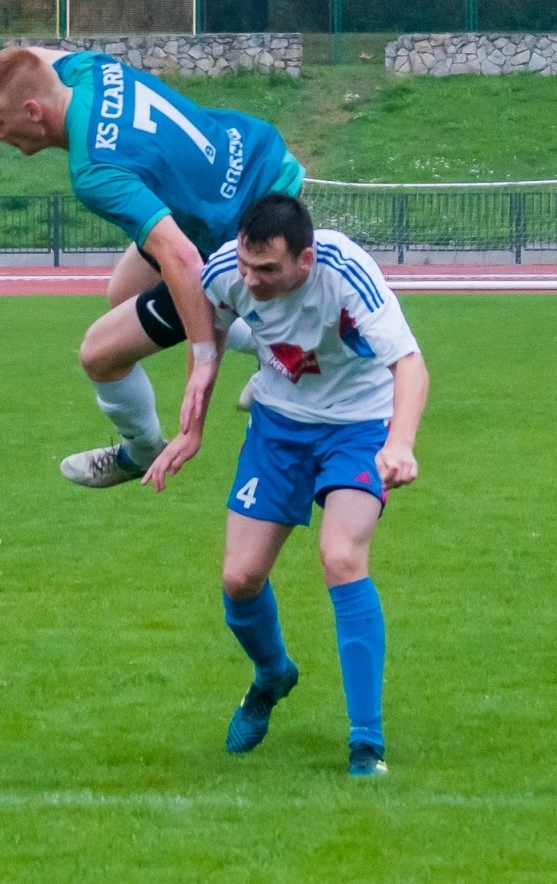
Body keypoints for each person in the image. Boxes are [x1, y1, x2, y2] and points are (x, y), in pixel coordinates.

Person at [0, 46, 304, 488]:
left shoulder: (94, 169)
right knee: (124, 293)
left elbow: (183, 258)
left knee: (99, 355)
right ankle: (266, 345)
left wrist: (203, 361)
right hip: (258, 158)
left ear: (33, 112)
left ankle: (143, 449)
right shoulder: (90, 72)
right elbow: (23, 56)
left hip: (242, 225)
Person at [143, 194, 428, 777]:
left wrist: (399, 443)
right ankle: (272, 674)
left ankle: (365, 745)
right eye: (247, 266)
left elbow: (410, 364)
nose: (252, 279)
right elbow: (208, 340)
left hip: (360, 426)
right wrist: (190, 431)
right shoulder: (226, 270)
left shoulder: (347, 272)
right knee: (240, 578)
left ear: (306, 257)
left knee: (341, 557)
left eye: (268, 270)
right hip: (279, 424)